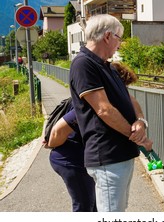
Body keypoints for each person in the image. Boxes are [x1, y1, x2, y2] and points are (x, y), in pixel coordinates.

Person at [69, 14, 150, 212]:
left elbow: (129, 99)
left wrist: (140, 121)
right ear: (107, 36)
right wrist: (136, 136)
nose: (120, 44)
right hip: (107, 155)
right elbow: (104, 110)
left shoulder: (106, 65)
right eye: (119, 37)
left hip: (119, 155)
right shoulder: (83, 64)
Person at [45, 62, 151, 212]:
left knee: (96, 204)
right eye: (122, 87)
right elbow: (58, 131)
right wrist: (51, 143)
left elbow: (131, 101)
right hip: (70, 159)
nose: (124, 92)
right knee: (84, 205)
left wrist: (140, 120)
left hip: (84, 156)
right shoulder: (92, 103)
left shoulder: (113, 96)